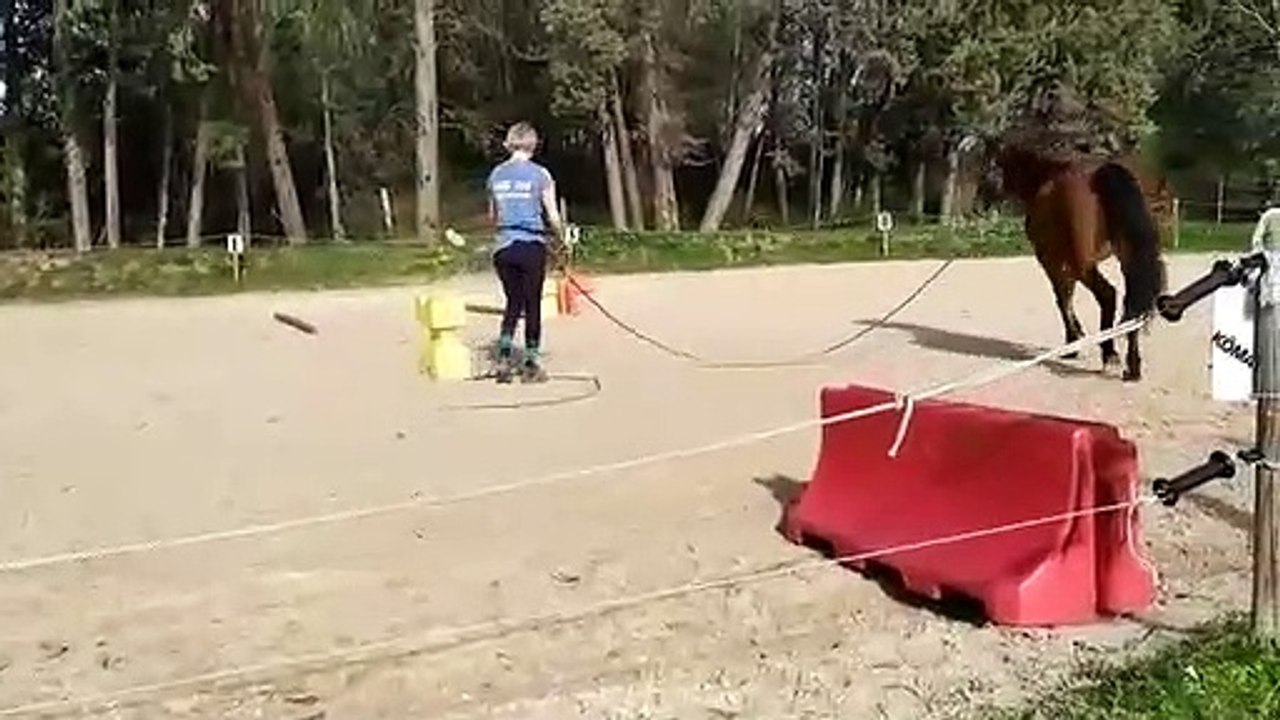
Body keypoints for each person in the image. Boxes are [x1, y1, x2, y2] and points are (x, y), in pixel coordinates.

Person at [486, 122, 566, 384]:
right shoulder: (540, 174)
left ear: (510, 143)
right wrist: (561, 237)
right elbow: (552, 214)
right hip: (530, 244)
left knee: (513, 302)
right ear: (533, 144)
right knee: (532, 304)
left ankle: (504, 356)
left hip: (503, 246)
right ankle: (531, 360)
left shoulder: (496, 175)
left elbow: (492, 215)